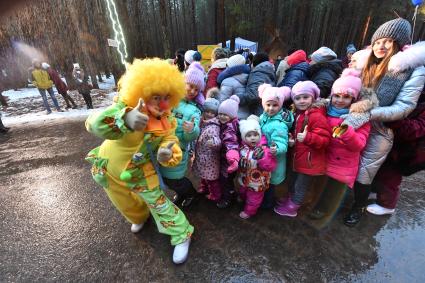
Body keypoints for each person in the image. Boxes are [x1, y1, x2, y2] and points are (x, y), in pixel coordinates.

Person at [85, 58, 193, 264]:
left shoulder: (167, 120)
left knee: (159, 203)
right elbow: (92, 123)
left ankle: (182, 234)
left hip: (140, 171)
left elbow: (171, 142)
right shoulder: (124, 106)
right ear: (141, 93)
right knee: (121, 201)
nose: (162, 104)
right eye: (156, 97)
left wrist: (167, 154)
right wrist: (123, 118)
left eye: (167, 97)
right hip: (107, 166)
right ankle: (138, 216)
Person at [342, 18, 425, 227]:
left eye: (388, 41)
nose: (381, 46)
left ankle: (358, 207)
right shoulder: (363, 64)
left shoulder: (413, 70)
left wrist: (371, 114)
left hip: (381, 129)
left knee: (364, 171)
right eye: (378, 41)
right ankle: (340, 197)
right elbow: (349, 93)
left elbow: (404, 107)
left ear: (399, 44)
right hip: (354, 122)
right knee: (343, 163)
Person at [308, 69, 371, 220]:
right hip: (324, 158)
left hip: (343, 164)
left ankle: (323, 209)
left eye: (346, 97)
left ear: (354, 100)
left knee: (333, 189)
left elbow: (359, 145)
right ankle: (316, 203)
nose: (340, 100)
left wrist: (347, 132)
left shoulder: (359, 118)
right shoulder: (324, 110)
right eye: (336, 95)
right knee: (320, 184)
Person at [274, 81, 331, 217]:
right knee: (294, 181)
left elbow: (325, 139)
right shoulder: (299, 114)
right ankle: (291, 199)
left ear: (313, 97)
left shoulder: (316, 116)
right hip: (300, 158)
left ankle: (293, 207)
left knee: (301, 185)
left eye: (305, 97)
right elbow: (298, 134)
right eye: (298, 98)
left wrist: (308, 137)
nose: (301, 101)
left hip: (310, 161)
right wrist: (293, 140)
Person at [367, 83, 425, 215]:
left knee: (390, 177)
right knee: (379, 169)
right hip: (394, 141)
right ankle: (374, 190)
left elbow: (416, 129)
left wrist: (392, 118)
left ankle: (387, 205)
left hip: (409, 149)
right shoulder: (416, 90)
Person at [160, 62, 203, 208]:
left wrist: (191, 130)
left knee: (174, 178)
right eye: (190, 86)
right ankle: (182, 193)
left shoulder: (194, 110)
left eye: (196, 89)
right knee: (165, 178)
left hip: (177, 149)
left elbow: (192, 135)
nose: (192, 91)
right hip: (161, 145)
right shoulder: (170, 100)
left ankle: (191, 194)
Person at [258, 84, 293, 209]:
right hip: (264, 158)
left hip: (274, 161)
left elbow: (282, 142)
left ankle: (267, 204)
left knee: (269, 186)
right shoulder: (263, 117)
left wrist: (277, 148)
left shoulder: (279, 124)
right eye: (268, 105)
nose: (271, 108)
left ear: (280, 105)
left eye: (275, 105)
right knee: (264, 182)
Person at [237, 115, 277, 218]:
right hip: (244, 178)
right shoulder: (242, 148)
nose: (253, 137)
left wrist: (262, 157)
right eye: (249, 135)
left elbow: (270, 166)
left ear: (259, 135)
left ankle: (249, 211)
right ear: (244, 137)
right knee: (243, 191)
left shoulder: (264, 149)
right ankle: (243, 199)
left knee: (254, 198)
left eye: (255, 134)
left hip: (257, 183)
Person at [194, 89, 221, 200]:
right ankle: (203, 188)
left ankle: (215, 195)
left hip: (210, 159)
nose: (209, 114)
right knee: (203, 176)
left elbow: (218, 142)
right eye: (207, 111)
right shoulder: (202, 122)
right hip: (202, 155)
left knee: (211, 179)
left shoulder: (214, 126)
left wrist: (214, 143)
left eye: (212, 112)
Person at [216, 95, 240, 208]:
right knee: (228, 181)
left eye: (225, 115)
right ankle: (231, 194)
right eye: (220, 113)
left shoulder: (229, 128)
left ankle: (227, 199)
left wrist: (232, 157)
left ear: (232, 115)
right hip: (227, 159)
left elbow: (231, 143)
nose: (222, 116)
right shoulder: (229, 123)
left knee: (225, 180)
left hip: (229, 161)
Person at [217, 54, 251, 119]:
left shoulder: (227, 81)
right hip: (247, 117)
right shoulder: (249, 78)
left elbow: (222, 103)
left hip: (231, 119)